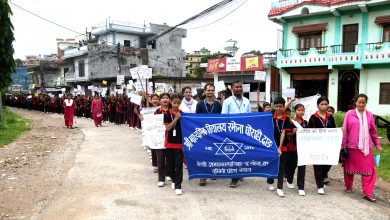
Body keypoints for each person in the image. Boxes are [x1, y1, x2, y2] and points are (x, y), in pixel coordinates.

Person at [342, 94, 382, 203]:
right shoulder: (349, 114)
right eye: (359, 102)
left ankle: (367, 193)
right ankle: (349, 187)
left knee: (369, 171)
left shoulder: (369, 115)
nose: (361, 104)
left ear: (366, 103)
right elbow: (345, 130)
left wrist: (377, 145)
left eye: (363, 102)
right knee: (349, 169)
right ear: (355, 102)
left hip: (365, 148)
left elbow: (373, 132)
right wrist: (343, 145)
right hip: (351, 147)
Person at [221, 81, 251, 188]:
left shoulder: (247, 101)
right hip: (232, 132)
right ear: (232, 89)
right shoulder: (227, 101)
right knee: (233, 154)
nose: (239, 89)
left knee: (242, 152)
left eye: (240, 87)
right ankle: (234, 178)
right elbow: (223, 117)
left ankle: (240, 172)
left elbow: (249, 117)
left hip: (243, 131)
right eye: (236, 87)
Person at [308, 96, 336, 195]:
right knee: (318, 165)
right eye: (322, 104)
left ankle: (323, 175)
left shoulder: (330, 117)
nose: (324, 106)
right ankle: (320, 185)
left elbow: (334, 130)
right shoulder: (313, 117)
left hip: (328, 145)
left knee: (328, 162)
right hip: (317, 145)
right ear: (318, 105)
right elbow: (309, 132)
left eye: (326, 104)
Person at [195, 83, 222, 186]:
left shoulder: (218, 104)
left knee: (214, 153)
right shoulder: (200, 104)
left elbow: (221, 119)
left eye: (212, 90)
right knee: (203, 153)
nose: (210, 92)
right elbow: (196, 119)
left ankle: (212, 171)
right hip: (203, 133)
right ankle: (202, 176)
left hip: (215, 133)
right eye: (208, 90)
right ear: (205, 91)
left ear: (214, 91)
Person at [267, 97, 292, 197]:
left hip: (282, 146)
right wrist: (274, 147)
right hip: (270, 145)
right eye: (276, 106)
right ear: (274, 106)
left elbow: (283, 133)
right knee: (271, 164)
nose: (278, 108)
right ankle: (270, 181)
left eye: (280, 106)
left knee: (281, 167)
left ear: (283, 106)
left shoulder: (286, 119)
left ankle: (280, 188)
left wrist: (280, 148)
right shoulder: (270, 117)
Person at [164, 94, 184, 195]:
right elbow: (167, 128)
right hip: (169, 143)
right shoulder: (167, 113)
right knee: (170, 165)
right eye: (174, 102)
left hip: (179, 143)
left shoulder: (183, 114)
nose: (176, 105)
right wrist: (176, 118)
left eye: (178, 103)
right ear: (171, 102)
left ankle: (178, 185)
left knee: (179, 165)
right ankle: (173, 179)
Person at [286, 103, 307, 196]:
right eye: (299, 110)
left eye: (302, 110)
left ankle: (301, 187)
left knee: (302, 167)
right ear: (295, 111)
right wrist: (292, 132)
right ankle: (289, 180)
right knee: (292, 166)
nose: (301, 112)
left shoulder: (306, 123)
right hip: (292, 147)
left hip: (303, 147)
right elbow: (286, 135)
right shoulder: (291, 122)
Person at [154, 93, 171, 188]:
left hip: (170, 137)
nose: (165, 100)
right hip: (159, 137)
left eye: (167, 98)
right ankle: (161, 179)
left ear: (170, 100)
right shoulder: (157, 111)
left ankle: (168, 174)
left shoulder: (172, 111)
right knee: (160, 159)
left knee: (169, 157)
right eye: (163, 98)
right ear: (160, 100)